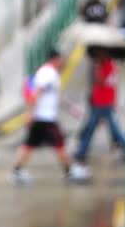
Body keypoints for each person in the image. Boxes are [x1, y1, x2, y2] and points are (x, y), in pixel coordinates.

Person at [12, 50, 84, 185]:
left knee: (29, 144)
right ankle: (69, 171)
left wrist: (71, 109)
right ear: (55, 59)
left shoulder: (50, 74)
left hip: (43, 116)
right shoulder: (47, 73)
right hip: (45, 117)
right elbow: (37, 93)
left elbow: (55, 96)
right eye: (61, 59)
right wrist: (31, 113)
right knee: (59, 143)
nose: (62, 62)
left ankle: (17, 170)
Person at [74, 49, 125, 165]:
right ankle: (82, 151)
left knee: (96, 128)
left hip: (102, 102)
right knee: (97, 128)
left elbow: (101, 81)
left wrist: (97, 68)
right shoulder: (110, 65)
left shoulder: (106, 65)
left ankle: (82, 152)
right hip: (102, 101)